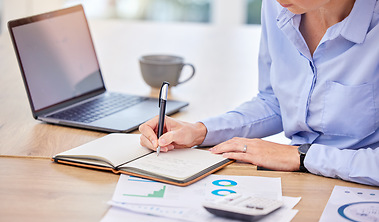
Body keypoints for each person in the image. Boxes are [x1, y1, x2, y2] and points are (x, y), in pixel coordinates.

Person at [139, 0, 379, 186]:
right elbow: (276, 102)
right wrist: (200, 131)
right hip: (299, 182)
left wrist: (302, 157)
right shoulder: (278, 7)